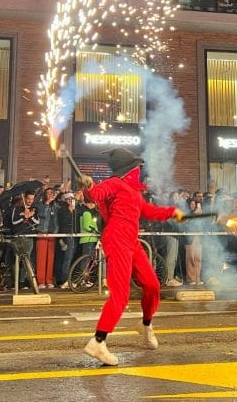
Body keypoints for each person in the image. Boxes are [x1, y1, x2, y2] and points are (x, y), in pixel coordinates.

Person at [78, 148, 185, 366]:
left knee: (153, 285)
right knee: (120, 295)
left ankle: (146, 326)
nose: (140, 170)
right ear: (130, 169)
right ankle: (98, 341)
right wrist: (88, 186)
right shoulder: (115, 183)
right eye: (137, 167)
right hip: (117, 239)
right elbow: (96, 194)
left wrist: (171, 212)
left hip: (132, 242)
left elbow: (147, 210)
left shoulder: (134, 192)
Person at [34, 187, 58, 289]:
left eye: (51, 193)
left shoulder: (56, 206)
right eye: (48, 193)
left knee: (50, 259)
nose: (50, 195)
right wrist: (47, 203)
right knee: (41, 257)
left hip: (52, 233)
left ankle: (49, 280)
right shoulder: (40, 205)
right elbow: (42, 215)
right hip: (42, 232)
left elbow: (57, 218)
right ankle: (41, 281)